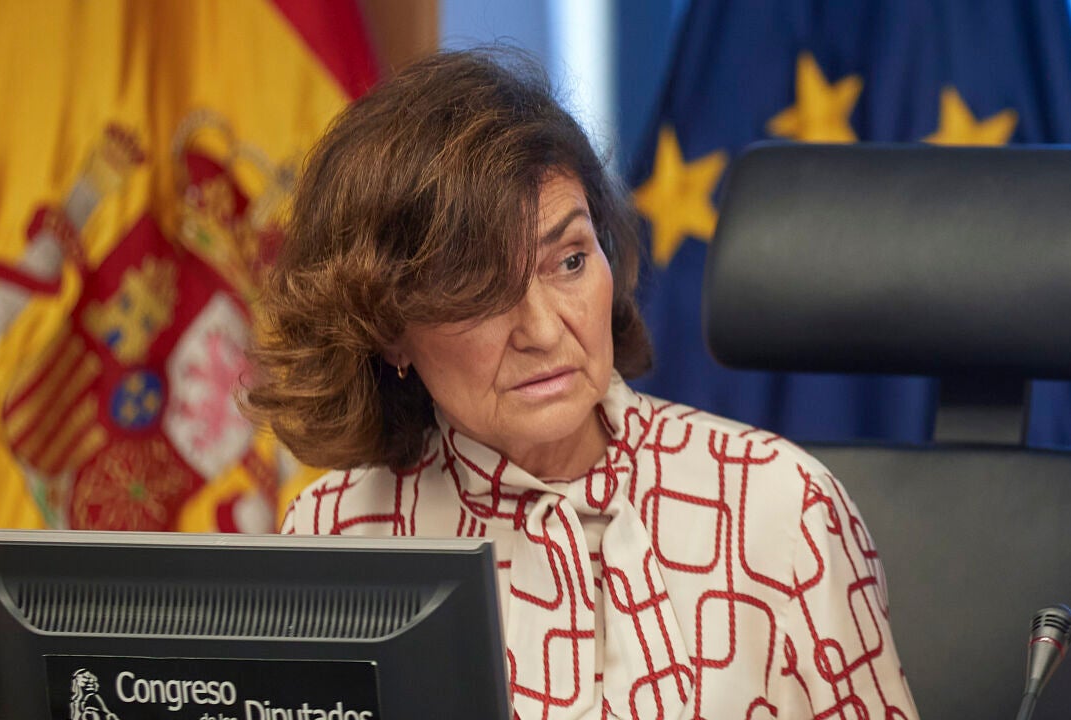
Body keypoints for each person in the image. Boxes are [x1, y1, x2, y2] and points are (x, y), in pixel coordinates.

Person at [246, 48, 919, 720]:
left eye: (569, 261)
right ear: (389, 329)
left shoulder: (781, 508)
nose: (543, 330)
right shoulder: (334, 535)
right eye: (478, 291)